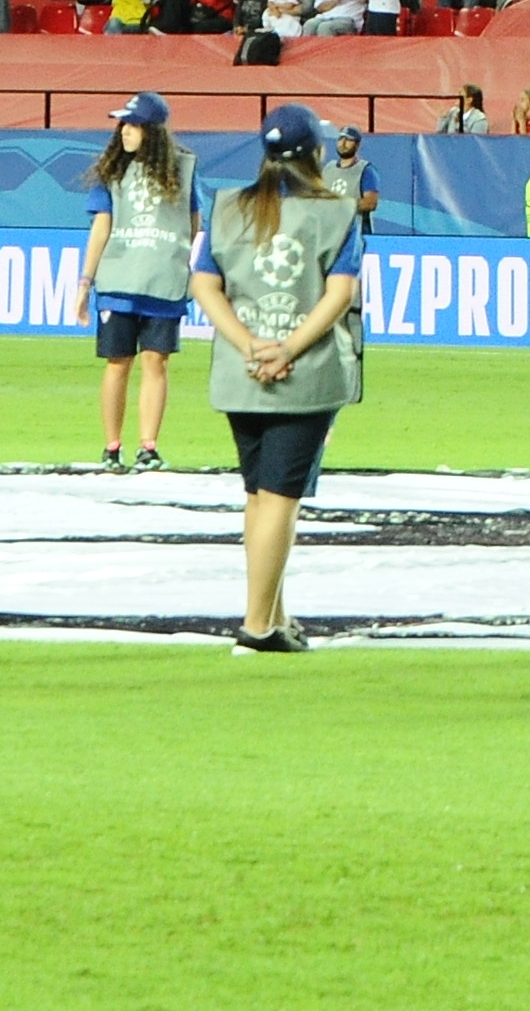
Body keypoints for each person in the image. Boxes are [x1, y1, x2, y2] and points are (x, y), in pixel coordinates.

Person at [197, 100, 370, 650]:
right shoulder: (335, 213)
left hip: (241, 372)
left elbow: (205, 285)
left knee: (257, 496)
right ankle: (257, 626)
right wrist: (290, 346)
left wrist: (249, 343)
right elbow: (340, 293)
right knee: (280, 498)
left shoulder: (227, 207)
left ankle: (275, 615)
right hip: (304, 373)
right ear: (317, 154)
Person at [78, 95, 203, 472]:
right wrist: (85, 281)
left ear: (152, 130)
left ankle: (148, 446)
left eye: (132, 125)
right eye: (123, 125)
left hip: (163, 279)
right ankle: (112, 446)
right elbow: (102, 225)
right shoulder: (113, 170)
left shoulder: (183, 168)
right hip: (119, 277)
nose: (125, 131)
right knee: (118, 362)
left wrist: (181, 260)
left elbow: (193, 220)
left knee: (155, 361)